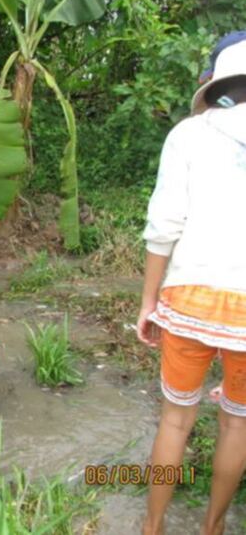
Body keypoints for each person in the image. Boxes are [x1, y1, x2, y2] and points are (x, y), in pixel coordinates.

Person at [136, 36, 246, 535]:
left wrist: (148, 303)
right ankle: (213, 529)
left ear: (219, 83)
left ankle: (153, 526)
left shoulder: (188, 135)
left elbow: (164, 227)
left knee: (176, 421)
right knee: (237, 424)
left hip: (189, 299)